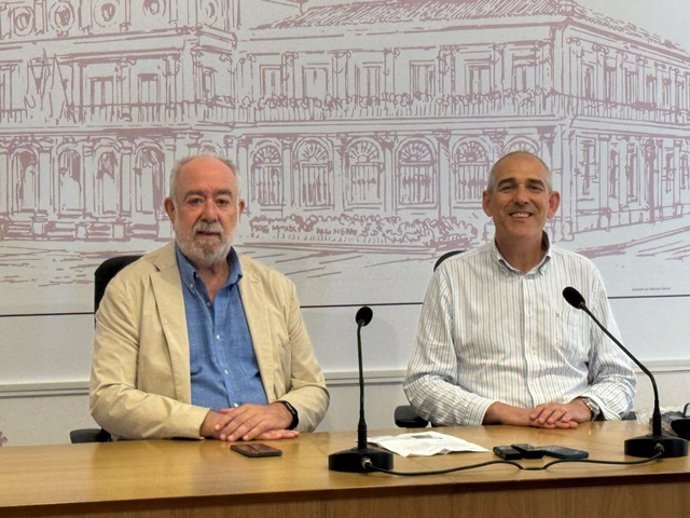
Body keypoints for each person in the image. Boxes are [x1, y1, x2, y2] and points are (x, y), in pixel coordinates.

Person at [90, 154, 329, 441]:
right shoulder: (129, 288)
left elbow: (313, 388)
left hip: (271, 456)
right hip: (176, 461)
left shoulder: (277, 288)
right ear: (171, 209)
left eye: (222, 201)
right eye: (194, 200)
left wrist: (283, 411)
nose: (210, 214)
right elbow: (109, 399)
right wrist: (206, 422)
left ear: (238, 210)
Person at [403, 151, 636, 429]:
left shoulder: (582, 273)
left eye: (534, 187)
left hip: (573, 437)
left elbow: (619, 376)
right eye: (507, 186)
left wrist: (581, 406)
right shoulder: (452, 276)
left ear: (551, 204)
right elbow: (424, 382)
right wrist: (500, 412)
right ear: (487, 202)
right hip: (485, 440)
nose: (521, 198)